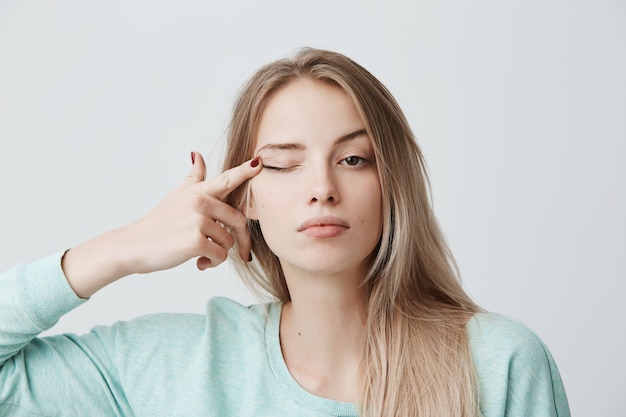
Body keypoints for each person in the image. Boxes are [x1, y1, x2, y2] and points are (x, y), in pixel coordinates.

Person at [0, 48, 570, 417]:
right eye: (281, 163)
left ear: (392, 183)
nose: (321, 188)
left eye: (353, 160)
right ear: (242, 195)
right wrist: (122, 249)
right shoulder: (172, 367)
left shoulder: (498, 364)